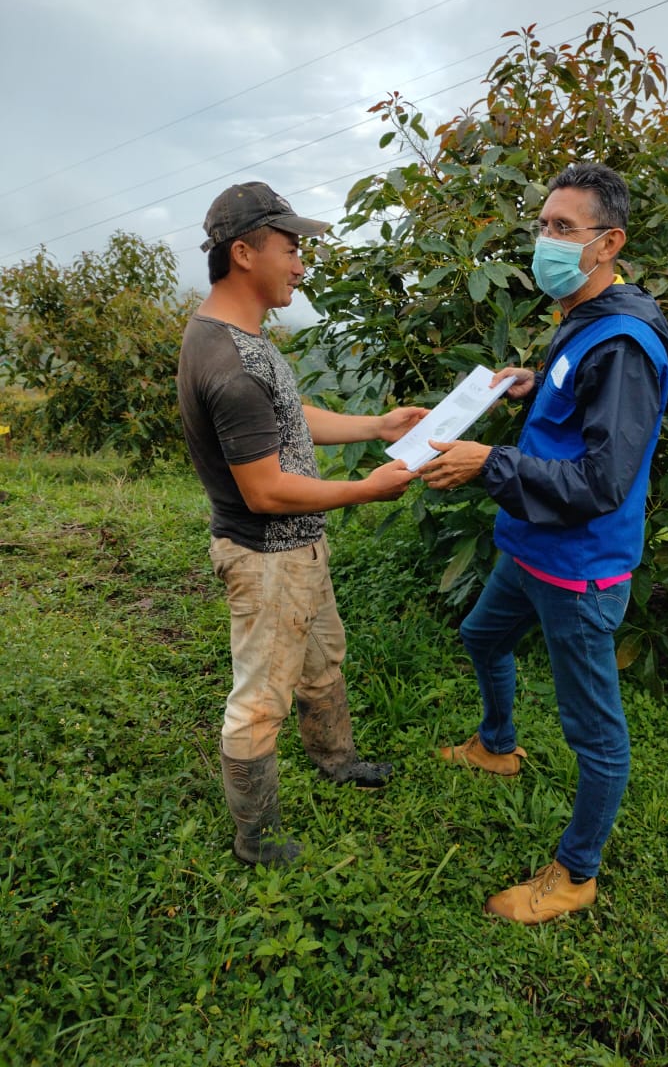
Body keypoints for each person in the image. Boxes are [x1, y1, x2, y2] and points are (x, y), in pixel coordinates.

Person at [419, 162, 668, 924]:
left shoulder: (624, 343)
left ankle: (576, 874)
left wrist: (489, 463)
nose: (546, 240)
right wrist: (537, 384)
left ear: (610, 243)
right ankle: (497, 745)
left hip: (578, 567)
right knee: (481, 636)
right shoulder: (586, 318)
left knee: (594, 732)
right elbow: (583, 405)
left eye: (564, 228)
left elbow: (603, 481)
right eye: (543, 225)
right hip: (532, 547)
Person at [177, 181, 426, 868]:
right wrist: (366, 490)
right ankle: (256, 838)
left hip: (298, 549)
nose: (300, 264)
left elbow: (287, 417)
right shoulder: (230, 363)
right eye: (290, 249)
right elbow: (264, 491)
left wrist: (377, 426)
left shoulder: (240, 337)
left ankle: (336, 760)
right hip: (267, 558)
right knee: (260, 701)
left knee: (322, 661)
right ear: (243, 253)